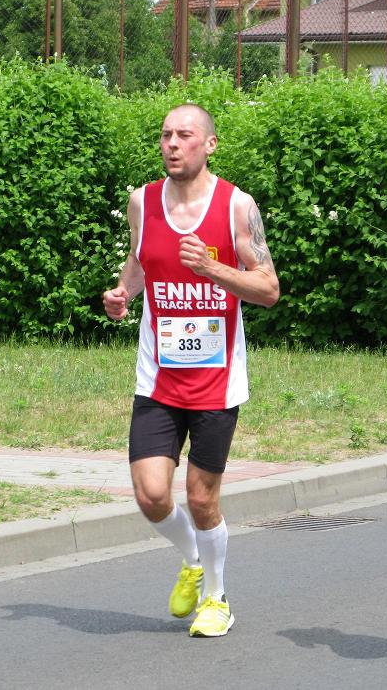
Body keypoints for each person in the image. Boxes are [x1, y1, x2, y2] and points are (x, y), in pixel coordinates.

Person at [102, 103, 279, 637]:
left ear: (210, 144)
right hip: (158, 375)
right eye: (165, 135)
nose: (172, 144)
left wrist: (212, 268)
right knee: (151, 494)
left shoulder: (236, 206)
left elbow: (268, 289)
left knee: (202, 498)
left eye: (184, 135)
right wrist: (123, 293)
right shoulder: (142, 201)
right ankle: (194, 559)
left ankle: (216, 598)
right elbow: (141, 261)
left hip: (216, 380)